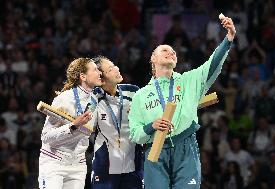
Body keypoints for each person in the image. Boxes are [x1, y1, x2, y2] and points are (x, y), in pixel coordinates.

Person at [128, 14, 236, 189]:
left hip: (185, 148)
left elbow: (212, 65)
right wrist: (151, 126)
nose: (170, 52)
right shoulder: (140, 95)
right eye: (165, 50)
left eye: (173, 52)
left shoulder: (188, 81)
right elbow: (134, 134)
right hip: (155, 150)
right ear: (153, 60)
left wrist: (228, 38)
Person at [38, 58, 102, 189]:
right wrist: (73, 126)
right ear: (83, 76)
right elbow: (45, 137)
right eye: (95, 69)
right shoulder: (64, 99)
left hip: (78, 164)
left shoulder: (95, 100)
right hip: (54, 162)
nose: (99, 72)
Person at [91, 56, 143, 189]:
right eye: (110, 69)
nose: (117, 69)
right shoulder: (93, 97)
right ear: (101, 79)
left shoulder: (133, 92)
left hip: (134, 166)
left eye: (114, 65)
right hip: (104, 167)